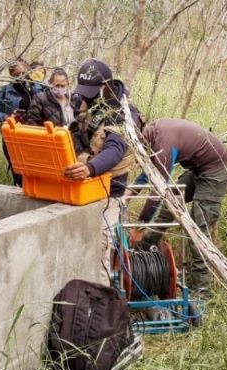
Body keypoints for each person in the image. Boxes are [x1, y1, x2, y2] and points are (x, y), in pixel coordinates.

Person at [62, 59, 143, 284]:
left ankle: (101, 303)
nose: (86, 97)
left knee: (100, 248)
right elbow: (75, 135)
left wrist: (89, 168)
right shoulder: (87, 105)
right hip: (82, 189)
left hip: (109, 191)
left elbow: (115, 150)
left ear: (106, 86)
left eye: (91, 92)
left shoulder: (124, 112)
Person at [137, 119, 227, 296]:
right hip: (198, 170)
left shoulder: (163, 147)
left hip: (216, 173)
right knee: (170, 203)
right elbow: (148, 172)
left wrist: (140, 224)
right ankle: (145, 245)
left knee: (197, 229)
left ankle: (202, 287)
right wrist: (129, 195)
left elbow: (158, 189)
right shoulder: (153, 132)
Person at [0, 59, 34, 186]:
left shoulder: (37, 88)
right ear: (10, 74)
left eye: (22, 73)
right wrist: (8, 118)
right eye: (15, 74)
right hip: (12, 136)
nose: (19, 77)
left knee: (33, 170)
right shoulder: (4, 91)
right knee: (17, 170)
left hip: (32, 135)